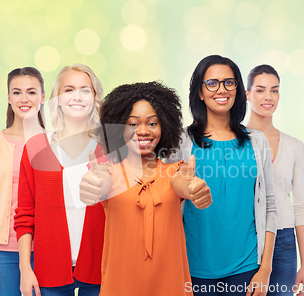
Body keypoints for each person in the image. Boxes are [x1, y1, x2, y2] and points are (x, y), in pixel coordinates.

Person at [79, 81, 212, 296]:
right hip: (121, 287)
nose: (143, 131)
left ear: (165, 126)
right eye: (133, 124)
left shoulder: (176, 170)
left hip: (170, 286)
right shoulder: (109, 172)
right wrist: (92, 185)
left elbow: (183, 184)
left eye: (152, 123)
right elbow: (100, 182)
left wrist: (193, 188)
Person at [166, 55, 277, 296]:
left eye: (229, 82)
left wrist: (265, 268)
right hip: (193, 269)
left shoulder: (257, 142)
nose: (221, 89)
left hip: (246, 269)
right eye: (212, 83)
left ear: (238, 89)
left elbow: (269, 207)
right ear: (199, 92)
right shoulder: (180, 142)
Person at [14, 64, 106, 296]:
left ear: (95, 97)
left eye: (85, 90)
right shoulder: (35, 148)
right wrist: (26, 270)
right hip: (49, 272)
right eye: (69, 90)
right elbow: (25, 214)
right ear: (57, 99)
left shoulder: (109, 148)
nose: (77, 96)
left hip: (100, 272)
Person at [0, 67, 46, 296]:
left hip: (44, 253)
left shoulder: (54, 144)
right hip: (1, 255)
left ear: (43, 97)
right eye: (17, 92)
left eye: (31, 92)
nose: (24, 99)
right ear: (8, 97)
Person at [246, 64, 304, 296]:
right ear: (247, 94)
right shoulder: (236, 142)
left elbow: (301, 205)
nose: (268, 97)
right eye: (261, 90)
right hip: (245, 237)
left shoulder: (295, 147)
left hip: (283, 240)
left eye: (274, 90)